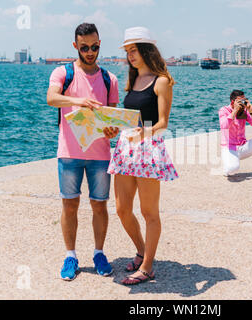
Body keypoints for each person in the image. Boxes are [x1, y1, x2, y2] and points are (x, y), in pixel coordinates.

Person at [46, 23, 120, 281]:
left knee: (100, 207)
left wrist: (113, 131)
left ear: (100, 44)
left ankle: (99, 253)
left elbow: (112, 117)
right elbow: (52, 98)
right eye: (85, 47)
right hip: (69, 153)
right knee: (70, 205)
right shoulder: (62, 73)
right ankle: (70, 255)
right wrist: (79, 101)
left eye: (95, 46)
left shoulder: (109, 79)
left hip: (100, 154)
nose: (90, 51)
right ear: (75, 46)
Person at [107, 27, 179, 285]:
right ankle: (141, 250)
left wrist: (145, 132)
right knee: (122, 209)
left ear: (147, 50)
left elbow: (163, 123)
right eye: (128, 52)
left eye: (134, 50)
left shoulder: (162, 81)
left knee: (149, 212)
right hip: (126, 148)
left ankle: (147, 267)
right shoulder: (132, 80)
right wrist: (115, 127)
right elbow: (129, 117)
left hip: (148, 149)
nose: (130, 56)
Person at [219, 90, 252, 181]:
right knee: (232, 170)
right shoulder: (224, 110)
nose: (243, 103)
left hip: (243, 147)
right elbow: (224, 126)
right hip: (229, 148)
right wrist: (235, 111)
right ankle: (227, 164)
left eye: (245, 100)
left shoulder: (244, 112)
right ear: (233, 101)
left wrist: (251, 111)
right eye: (241, 101)